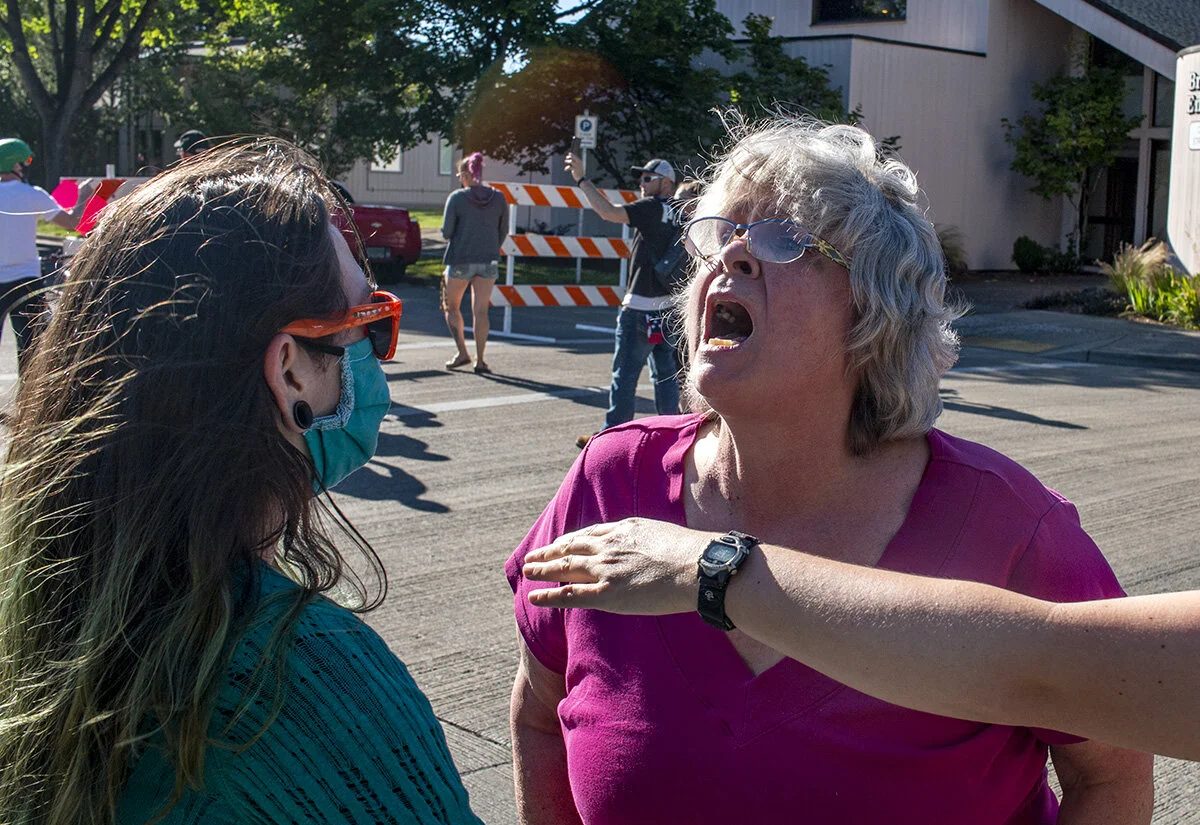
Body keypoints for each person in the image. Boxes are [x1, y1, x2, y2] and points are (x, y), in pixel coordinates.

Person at [507, 117, 1154, 825]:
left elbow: (1114, 776)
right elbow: (538, 714)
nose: (735, 254)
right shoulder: (610, 482)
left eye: (784, 238)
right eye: (722, 233)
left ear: (874, 316)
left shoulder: (1011, 531)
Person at [0, 139, 482, 825]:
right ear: (289, 371)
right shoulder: (306, 679)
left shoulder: (42, 600)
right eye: (366, 325)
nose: (374, 360)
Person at [567, 154, 686, 449]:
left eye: (648, 178)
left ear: (666, 183)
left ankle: (611, 442)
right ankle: (672, 437)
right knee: (667, 378)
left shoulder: (650, 208)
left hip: (640, 308)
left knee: (625, 376)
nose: (642, 184)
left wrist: (582, 179)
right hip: (669, 307)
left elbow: (608, 212)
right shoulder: (683, 212)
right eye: (641, 178)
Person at [0, 137, 95, 370]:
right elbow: (72, 222)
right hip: (26, 278)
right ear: (16, 165)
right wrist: (83, 196)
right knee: (30, 347)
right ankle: (27, 404)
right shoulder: (32, 194)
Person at [440, 152, 507, 374]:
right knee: (481, 311)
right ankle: (481, 360)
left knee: (451, 306)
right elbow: (503, 231)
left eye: (460, 175)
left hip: (460, 259)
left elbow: (447, 232)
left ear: (466, 174)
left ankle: (462, 353)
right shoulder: (498, 198)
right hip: (488, 260)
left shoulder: (457, 198)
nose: (460, 179)